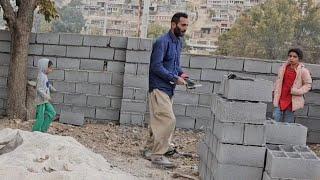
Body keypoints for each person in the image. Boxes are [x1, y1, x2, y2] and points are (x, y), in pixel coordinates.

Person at [143, 12, 189, 168]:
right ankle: (157, 156)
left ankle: (149, 149)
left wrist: (181, 73)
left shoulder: (178, 42)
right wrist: (175, 78)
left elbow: (174, 65)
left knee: (158, 120)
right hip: (159, 87)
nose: (185, 28)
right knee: (168, 120)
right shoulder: (162, 42)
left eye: (187, 25)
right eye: (183, 25)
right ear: (173, 24)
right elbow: (156, 66)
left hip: (169, 89)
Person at [273, 48, 312, 123]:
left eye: (294, 57)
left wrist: (297, 91)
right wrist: (274, 91)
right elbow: (278, 81)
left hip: (291, 100)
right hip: (280, 98)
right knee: (275, 118)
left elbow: (308, 85)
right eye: (290, 56)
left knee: (288, 123)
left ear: (299, 58)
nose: (291, 58)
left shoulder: (303, 71)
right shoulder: (283, 68)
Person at [32, 58, 57, 132]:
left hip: (45, 100)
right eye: (50, 68)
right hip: (41, 101)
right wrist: (46, 96)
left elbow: (47, 84)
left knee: (52, 113)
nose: (51, 70)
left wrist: (51, 88)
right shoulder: (40, 76)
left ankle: (43, 130)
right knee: (40, 117)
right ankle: (36, 131)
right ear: (44, 67)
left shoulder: (44, 76)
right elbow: (39, 88)